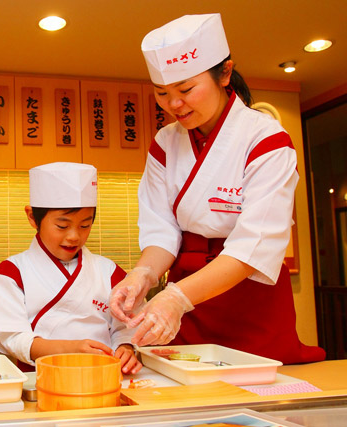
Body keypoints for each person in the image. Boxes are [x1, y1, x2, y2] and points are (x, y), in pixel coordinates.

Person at [109, 14, 325, 364]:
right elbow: (161, 230)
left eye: (186, 90)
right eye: (162, 93)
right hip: (186, 297)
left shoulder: (266, 139)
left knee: (258, 395)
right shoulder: (165, 143)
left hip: (251, 297)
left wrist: (177, 298)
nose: (173, 105)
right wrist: (144, 275)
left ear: (225, 74)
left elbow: (251, 246)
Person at [0, 162, 141, 374]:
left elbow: (127, 326)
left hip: (106, 377)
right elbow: (14, 338)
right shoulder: (11, 274)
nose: (74, 236)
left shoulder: (110, 272)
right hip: (40, 379)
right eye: (62, 226)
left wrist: (126, 348)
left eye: (85, 225)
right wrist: (70, 350)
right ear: (32, 217)